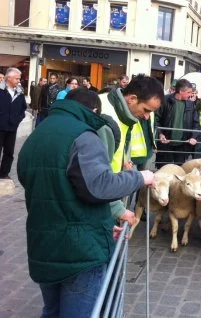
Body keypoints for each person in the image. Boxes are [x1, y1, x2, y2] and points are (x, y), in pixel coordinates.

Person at [17, 90, 155, 317]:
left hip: (43, 243)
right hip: (79, 251)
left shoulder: (37, 134)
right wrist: (140, 177)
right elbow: (100, 186)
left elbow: (45, 186)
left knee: (51, 310)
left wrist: (100, 223)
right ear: (93, 111)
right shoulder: (84, 136)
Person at [155, 79, 198, 167]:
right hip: (165, 143)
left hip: (183, 144)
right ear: (181, 91)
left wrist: (193, 137)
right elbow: (155, 119)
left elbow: (196, 123)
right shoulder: (164, 100)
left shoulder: (191, 104)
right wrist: (160, 134)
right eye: (189, 92)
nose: (191, 95)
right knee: (164, 170)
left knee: (179, 170)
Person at [0, 68, 27, 179]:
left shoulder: (19, 92)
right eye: (17, 78)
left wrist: (17, 119)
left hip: (12, 127)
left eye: (19, 78)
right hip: (0, 126)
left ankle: (4, 173)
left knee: (9, 152)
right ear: (9, 78)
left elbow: (23, 109)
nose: (19, 81)